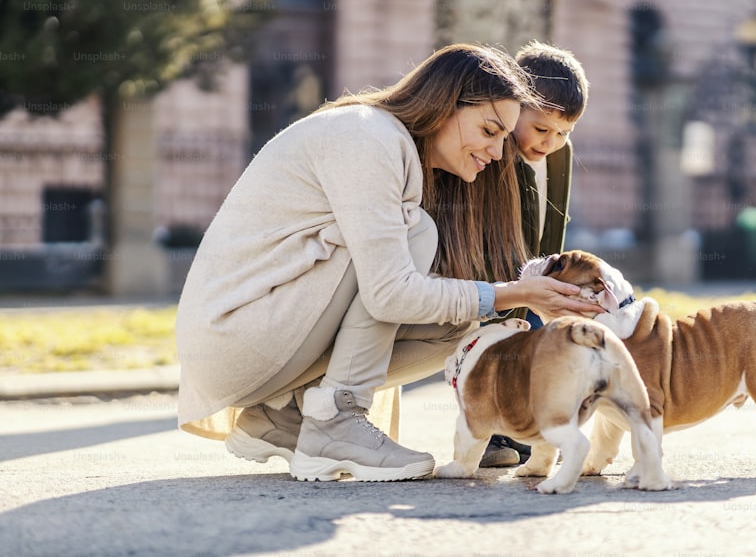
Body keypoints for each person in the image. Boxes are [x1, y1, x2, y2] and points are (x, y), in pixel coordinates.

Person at [174, 43, 603, 483]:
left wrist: (510, 301)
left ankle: (281, 415)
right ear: (445, 105)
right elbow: (388, 293)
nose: (497, 153)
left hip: (260, 337)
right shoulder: (367, 137)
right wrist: (512, 294)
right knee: (418, 235)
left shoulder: (393, 147)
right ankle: (336, 421)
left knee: (454, 323)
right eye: (490, 131)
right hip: (234, 337)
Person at [479, 40, 591, 468]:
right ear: (514, 110)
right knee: (499, 352)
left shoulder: (558, 157)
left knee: (542, 354)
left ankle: (537, 434)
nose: (551, 142)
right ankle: (493, 436)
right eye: (541, 129)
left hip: (540, 274)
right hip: (497, 275)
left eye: (563, 133)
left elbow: (551, 222)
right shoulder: (496, 153)